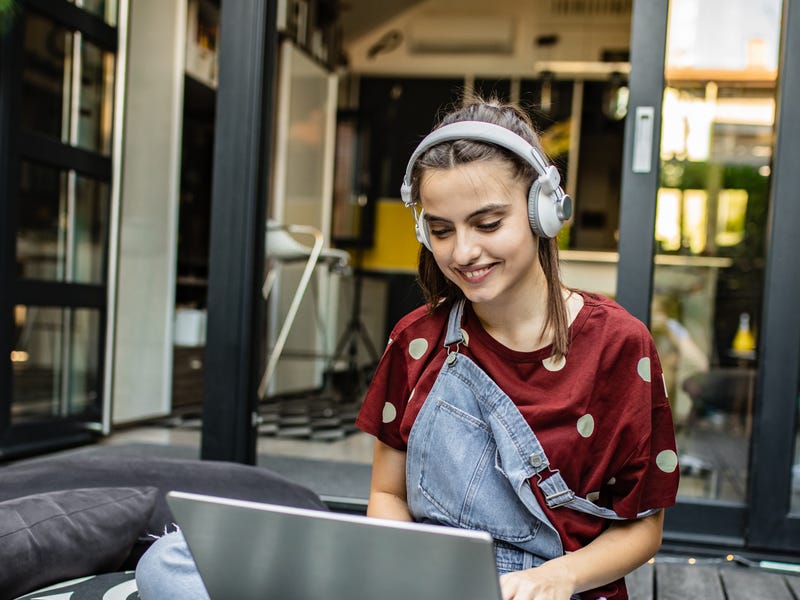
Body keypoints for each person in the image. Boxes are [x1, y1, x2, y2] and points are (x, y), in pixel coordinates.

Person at [353, 98, 679, 600]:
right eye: (441, 230)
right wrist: (410, 571)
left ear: (542, 211)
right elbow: (387, 494)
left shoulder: (619, 346)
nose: (462, 252)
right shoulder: (415, 340)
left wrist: (556, 578)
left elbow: (643, 529)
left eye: (487, 224)